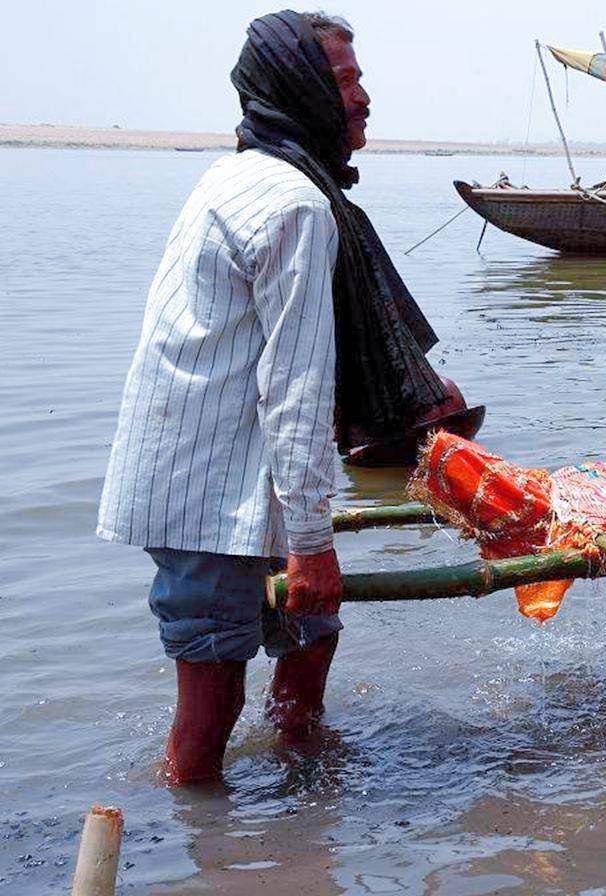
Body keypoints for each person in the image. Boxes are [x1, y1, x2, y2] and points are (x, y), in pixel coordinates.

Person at [97, 11, 464, 784]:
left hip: (232, 472)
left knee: (314, 631)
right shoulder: (295, 204)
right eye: (343, 83)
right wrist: (310, 541)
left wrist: (303, 537)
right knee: (214, 695)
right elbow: (295, 389)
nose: (363, 99)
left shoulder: (246, 174)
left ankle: (303, 799)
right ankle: (203, 838)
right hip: (205, 487)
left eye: (361, 79)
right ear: (300, 91)